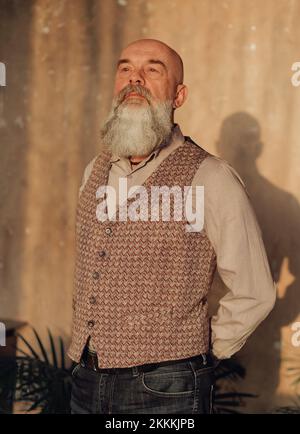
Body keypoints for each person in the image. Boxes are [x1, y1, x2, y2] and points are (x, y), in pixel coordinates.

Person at [67, 38, 276, 414]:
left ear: (179, 96)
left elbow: (255, 288)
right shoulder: (93, 171)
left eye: (152, 70)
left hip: (165, 389)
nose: (135, 79)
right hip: (86, 380)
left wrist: (196, 353)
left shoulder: (211, 177)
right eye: (126, 68)